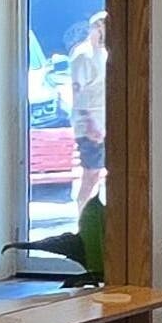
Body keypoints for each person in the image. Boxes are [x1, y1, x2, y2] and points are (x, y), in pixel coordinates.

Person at [67, 11, 111, 213]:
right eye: (99, 27)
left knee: (103, 173)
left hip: (105, 121)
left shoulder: (105, 54)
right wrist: (90, 122)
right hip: (89, 125)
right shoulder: (83, 55)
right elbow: (78, 91)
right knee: (91, 173)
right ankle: (82, 215)